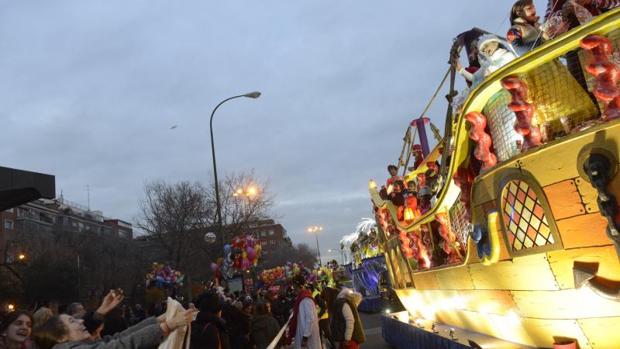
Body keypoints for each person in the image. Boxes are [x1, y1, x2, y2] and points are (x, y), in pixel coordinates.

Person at [287, 275, 321, 349]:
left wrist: (305, 336)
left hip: (307, 338)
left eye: (293, 285)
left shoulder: (305, 299)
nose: (293, 288)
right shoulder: (302, 298)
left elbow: (310, 319)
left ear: (297, 285)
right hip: (304, 335)